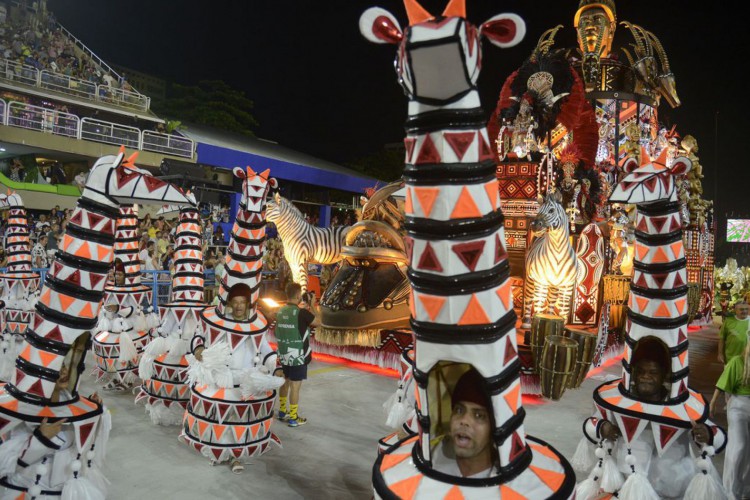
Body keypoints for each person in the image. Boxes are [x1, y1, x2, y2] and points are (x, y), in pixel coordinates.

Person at [584, 337, 714, 498]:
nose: (645, 377)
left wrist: (708, 434)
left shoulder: (686, 407)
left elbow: (716, 433)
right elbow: (591, 423)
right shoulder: (616, 401)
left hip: (670, 487)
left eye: (653, 373)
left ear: (664, 376)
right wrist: (602, 427)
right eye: (641, 372)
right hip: (624, 484)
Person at [431, 367, 498, 478]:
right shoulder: (431, 456)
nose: (464, 421)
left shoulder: (510, 481)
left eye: (479, 415)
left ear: (494, 426)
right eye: (459, 410)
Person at [710, 342, 750, 500]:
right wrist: (712, 403)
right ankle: (729, 490)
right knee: (738, 446)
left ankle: (745, 489)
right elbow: (721, 385)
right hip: (738, 405)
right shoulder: (736, 362)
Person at [275, 283, 318, 427]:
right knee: (295, 386)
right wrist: (313, 305)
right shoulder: (302, 313)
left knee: (285, 382)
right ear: (299, 296)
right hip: (298, 355)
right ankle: (293, 417)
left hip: (284, 353)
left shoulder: (280, 311)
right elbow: (319, 322)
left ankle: (282, 411)